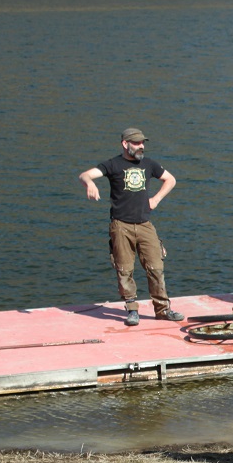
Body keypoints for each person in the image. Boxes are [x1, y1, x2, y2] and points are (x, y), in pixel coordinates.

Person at [77, 127, 184, 326]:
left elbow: (171, 179)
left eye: (142, 142)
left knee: (156, 267)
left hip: (144, 224)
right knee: (124, 269)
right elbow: (85, 175)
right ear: (125, 144)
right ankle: (132, 310)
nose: (141, 146)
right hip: (120, 226)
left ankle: (162, 310)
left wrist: (156, 199)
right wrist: (90, 184)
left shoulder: (150, 164)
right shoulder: (113, 164)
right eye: (136, 142)